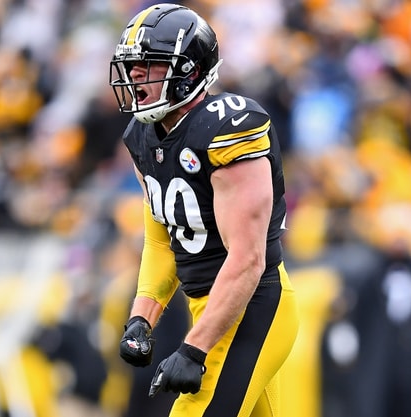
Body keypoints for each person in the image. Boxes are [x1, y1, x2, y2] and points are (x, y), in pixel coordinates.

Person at [108, 3, 299, 416]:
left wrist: (195, 348)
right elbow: (163, 238)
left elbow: (248, 259)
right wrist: (142, 317)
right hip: (210, 306)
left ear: (189, 73)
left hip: (251, 306)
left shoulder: (228, 130)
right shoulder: (143, 137)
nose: (135, 76)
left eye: (150, 65)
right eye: (132, 66)